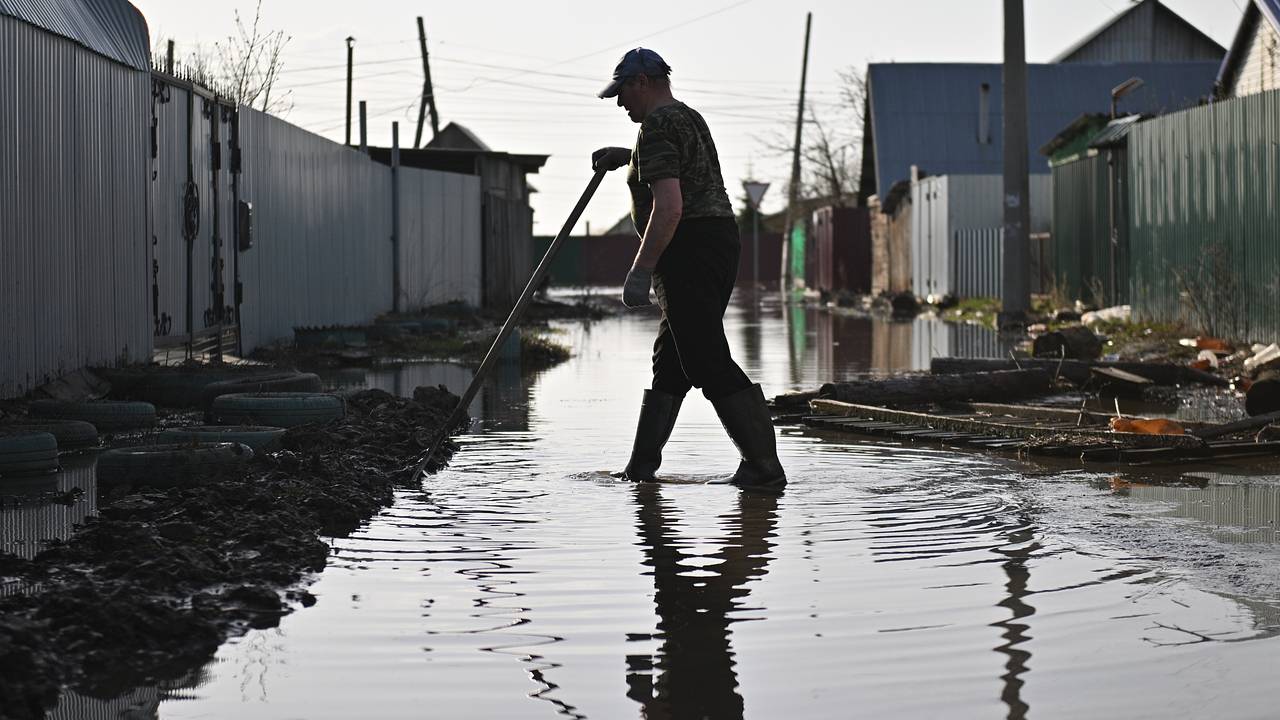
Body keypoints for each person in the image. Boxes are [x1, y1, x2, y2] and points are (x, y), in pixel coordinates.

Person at [592, 48, 785, 489]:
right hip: (716, 241)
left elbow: (671, 207)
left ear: (642, 82)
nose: (620, 103)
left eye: (622, 92)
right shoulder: (685, 117)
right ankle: (640, 471)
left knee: (703, 358)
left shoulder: (658, 125)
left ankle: (764, 467)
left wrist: (641, 270)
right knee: (672, 362)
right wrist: (631, 157)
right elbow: (687, 171)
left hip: (688, 249)